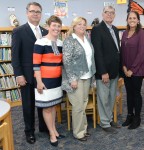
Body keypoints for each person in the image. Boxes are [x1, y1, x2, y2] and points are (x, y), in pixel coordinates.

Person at [11, 2, 48, 144]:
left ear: (41, 14)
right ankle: (29, 131)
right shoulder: (19, 31)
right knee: (28, 105)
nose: (35, 14)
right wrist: (18, 75)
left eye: (38, 11)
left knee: (42, 102)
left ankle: (43, 127)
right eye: (32, 11)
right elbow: (15, 56)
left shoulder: (45, 32)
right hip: (26, 75)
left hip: (42, 75)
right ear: (27, 13)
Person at [62, 17, 96, 142]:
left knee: (84, 104)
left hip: (87, 77)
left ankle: (83, 129)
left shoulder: (86, 39)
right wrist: (72, 79)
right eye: (79, 24)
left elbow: (90, 58)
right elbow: (67, 61)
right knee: (78, 106)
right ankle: (78, 133)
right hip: (76, 79)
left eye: (84, 24)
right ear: (74, 26)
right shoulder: (69, 40)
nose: (82, 26)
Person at [33, 15, 64, 147]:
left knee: (54, 106)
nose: (56, 28)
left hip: (57, 81)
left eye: (58, 26)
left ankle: (54, 129)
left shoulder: (60, 43)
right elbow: (36, 64)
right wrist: (39, 81)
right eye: (54, 25)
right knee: (46, 108)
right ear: (48, 27)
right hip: (44, 81)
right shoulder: (40, 42)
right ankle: (51, 133)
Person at [91, 5, 121, 134]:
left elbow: (116, 50)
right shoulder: (97, 29)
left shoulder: (114, 29)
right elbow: (97, 52)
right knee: (103, 98)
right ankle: (104, 123)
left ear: (114, 15)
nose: (109, 15)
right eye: (107, 12)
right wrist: (103, 72)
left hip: (114, 71)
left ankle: (108, 120)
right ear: (102, 14)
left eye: (112, 13)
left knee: (111, 97)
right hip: (104, 72)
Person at [121, 11, 144, 129]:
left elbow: (141, 53)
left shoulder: (141, 33)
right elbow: (122, 52)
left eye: (134, 18)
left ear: (138, 20)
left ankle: (137, 117)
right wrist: (124, 67)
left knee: (136, 94)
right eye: (130, 18)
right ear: (127, 20)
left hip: (137, 70)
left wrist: (132, 69)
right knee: (129, 94)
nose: (132, 20)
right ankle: (129, 115)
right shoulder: (125, 33)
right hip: (126, 70)